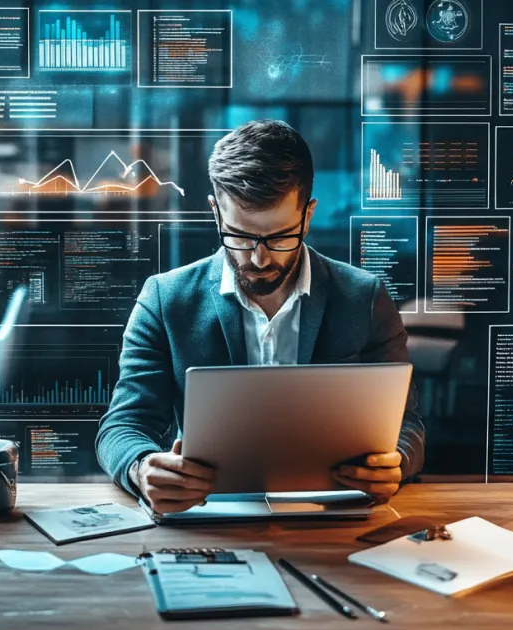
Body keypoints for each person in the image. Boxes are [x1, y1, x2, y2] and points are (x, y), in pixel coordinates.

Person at [96, 119, 425, 514]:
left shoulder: (364, 297)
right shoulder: (166, 299)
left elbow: (408, 425)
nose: (259, 258)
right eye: (240, 235)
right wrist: (141, 468)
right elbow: (122, 426)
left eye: (280, 236)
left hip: (336, 518)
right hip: (209, 511)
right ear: (216, 213)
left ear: (308, 215)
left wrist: (395, 463)